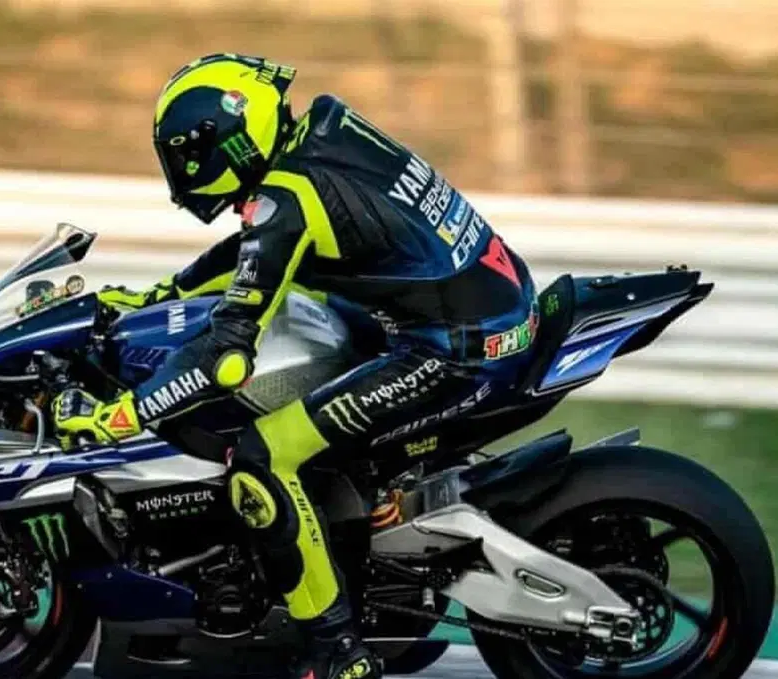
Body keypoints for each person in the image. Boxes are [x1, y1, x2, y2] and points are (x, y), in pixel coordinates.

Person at [51, 53, 539, 679]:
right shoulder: (321, 134)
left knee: (263, 458)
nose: (184, 171)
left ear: (231, 137)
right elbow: (257, 253)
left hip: (457, 347)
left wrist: (121, 416)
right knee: (313, 332)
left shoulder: (289, 199)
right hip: (471, 307)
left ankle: (337, 650)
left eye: (190, 154)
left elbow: (224, 361)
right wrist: (163, 295)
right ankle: (360, 526)